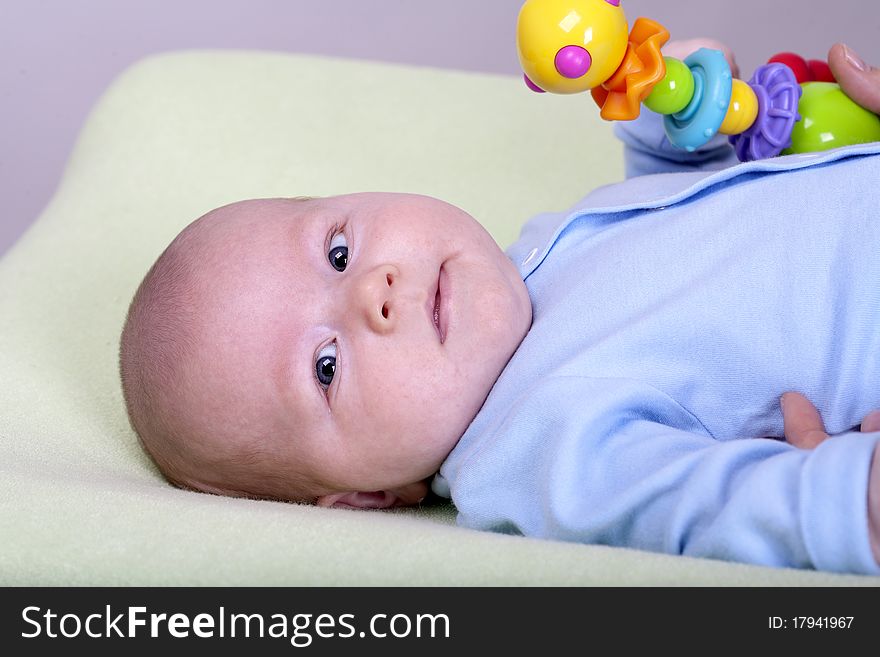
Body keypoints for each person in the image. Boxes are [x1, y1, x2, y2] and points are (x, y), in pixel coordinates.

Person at [119, 41, 880, 574]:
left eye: (340, 252)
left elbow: (671, 229)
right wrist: (846, 503)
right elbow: (701, 511)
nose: (372, 293)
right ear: (368, 495)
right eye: (325, 366)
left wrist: (675, 122)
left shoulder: (537, 254)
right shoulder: (535, 453)